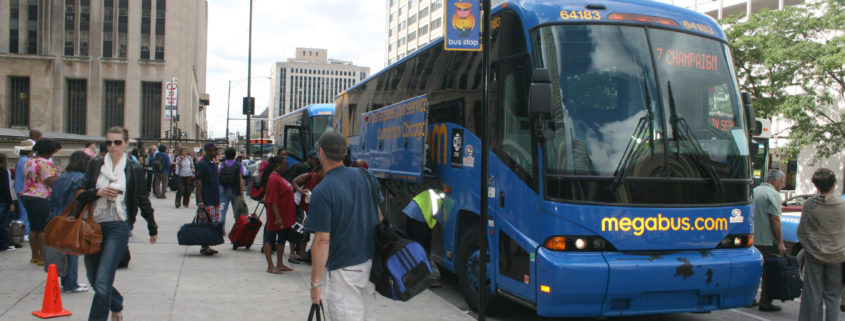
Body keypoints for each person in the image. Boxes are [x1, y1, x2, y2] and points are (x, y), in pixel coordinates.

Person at [77, 126, 158, 321]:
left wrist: (152, 226)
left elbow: (142, 198)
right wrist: (98, 192)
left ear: (126, 144)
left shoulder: (134, 169)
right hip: (93, 226)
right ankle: (116, 303)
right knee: (94, 279)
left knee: (103, 281)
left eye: (117, 142)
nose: (112, 146)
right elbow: (81, 193)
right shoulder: (96, 164)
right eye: (109, 142)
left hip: (118, 226)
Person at [306, 132, 382, 320]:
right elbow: (379, 216)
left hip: (344, 270)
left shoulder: (322, 191)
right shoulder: (367, 176)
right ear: (345, 152)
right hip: (371, 266)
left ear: (321, 152)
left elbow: (323, 241)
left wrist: (316, 285)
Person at [797, 169, 845, 321]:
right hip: (837, 255)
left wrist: (811, 248)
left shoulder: (809, 205)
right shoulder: (842, 205)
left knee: (813, 294)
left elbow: (803, 232)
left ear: (816, 185)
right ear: (833, 184)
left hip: (814, 254)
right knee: (833, 296)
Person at [48, 151, 91, 293]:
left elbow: (53, 197)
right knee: (72, 250)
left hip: (56, 215)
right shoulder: (80, 179)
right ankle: (71, 283)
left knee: (62, 250)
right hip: (71, 218)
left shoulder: (61, 177)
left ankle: (66, 280)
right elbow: (78, 201)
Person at [21, 139, 62, 266]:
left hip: (27, 194)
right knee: (44, 228)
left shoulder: (29, 161)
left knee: (34, 228)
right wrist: (59, 177)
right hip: (41, 196)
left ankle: (35, 256)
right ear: (48, 151)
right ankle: (43, 258)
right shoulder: (44, 162)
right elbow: (50, 181)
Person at [752, 169, 787, 312]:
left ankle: (749, 298)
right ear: (773, 181)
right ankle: (765, 302)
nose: (783, 185)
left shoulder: (754, 191)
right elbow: (775, 219)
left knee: (753, 271)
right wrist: (780, 241)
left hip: (752, 239)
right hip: (767, 240)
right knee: (768, 273)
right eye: (781, 181)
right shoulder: (773, 194)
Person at [262, 155, 296, 274]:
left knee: (282, 239)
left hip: (284, 215)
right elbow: (272, 200)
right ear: (277, 165)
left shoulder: (280, 177)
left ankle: (280, 263)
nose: (286, 167)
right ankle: (270, 266)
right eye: (284, 165)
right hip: (277, 216)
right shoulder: (273, 179)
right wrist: (277, 216)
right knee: (269, 238)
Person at [195, 143, 222, 256]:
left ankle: (207, 245)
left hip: (214, 199)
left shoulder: (213, 163)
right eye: (214, 150)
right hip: (206, 200)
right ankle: (204, 246)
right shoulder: (202, 164)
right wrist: (200, 201)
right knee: (206, 224)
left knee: (212, 224)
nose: (216, 152)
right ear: (208, 151)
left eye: (217, 150)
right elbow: (199, 184)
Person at [13, 140, 33, 241]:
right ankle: (24, 232)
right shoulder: (25, 161)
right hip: (23, 189)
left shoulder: (21, 160)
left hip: (20, 188)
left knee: (23, 211)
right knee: (24, 212)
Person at [218, 148, 244, 219]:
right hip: (235, 190)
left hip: (223, 189)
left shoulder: (222, 164)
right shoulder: (239, 165)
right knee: (237, 211)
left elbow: (219, 175)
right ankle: (238, 228)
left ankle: (220, 228)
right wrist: (241, 191)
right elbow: (240, 179)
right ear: (235, 155)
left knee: (222, 210)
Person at [0, 153, 18, 251]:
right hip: (3, 200)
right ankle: (4, 244)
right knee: (3, 223)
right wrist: (11, 202)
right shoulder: (4, 172)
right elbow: (7, 189)